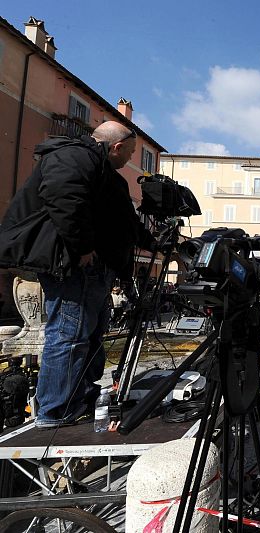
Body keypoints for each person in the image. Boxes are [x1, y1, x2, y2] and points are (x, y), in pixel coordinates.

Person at [0, 121, 155, 428]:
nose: (129, 159)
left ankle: (80, 398)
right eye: (131, 152)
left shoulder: (104, 173)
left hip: (93, 269)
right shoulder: (74, 157)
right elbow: (63, 197)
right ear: (117, 147)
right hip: (74, 266)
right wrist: (82, 246)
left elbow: (122, 222)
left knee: (90, 336)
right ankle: (54, 412)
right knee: (69, 336)